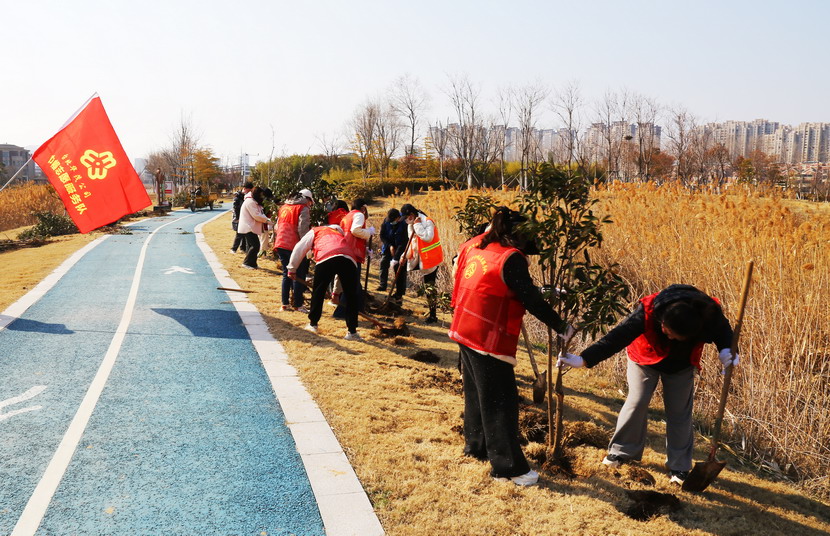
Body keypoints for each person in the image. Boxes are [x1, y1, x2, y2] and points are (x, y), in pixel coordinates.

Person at [557, 284, 739, 485]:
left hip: (682, 364)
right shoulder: (647, 312)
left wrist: (727, 352)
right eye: (667, 331)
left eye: (675, 336)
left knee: (679, 412)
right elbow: (616, 338)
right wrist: (584, 359)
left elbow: (724, 332)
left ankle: (679, 466)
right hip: (643, 357)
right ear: (662, 321)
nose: (669, 336)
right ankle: (621, 451)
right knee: (637, 401)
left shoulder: (709, 315)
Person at [449, 207, 573, 487]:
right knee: (500, 403)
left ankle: (476, 447)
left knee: (476, 394)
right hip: (488, 336)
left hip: (464, 326)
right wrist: (561, 326)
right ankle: (509, 468)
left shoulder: (476, 245)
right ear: (519, 235)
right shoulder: (511, 257)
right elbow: (529, 298)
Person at [287, 224, 362, 340]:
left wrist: (292, 268)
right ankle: (352, 332)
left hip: (326, 257)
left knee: (318, 292)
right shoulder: (340, 236)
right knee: (351, 295)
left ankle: (313, 324)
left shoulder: (316, 231)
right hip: (349, 259)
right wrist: (336, 293)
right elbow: (339, 269)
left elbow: (300, 248)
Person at [399, 203, 443, 324]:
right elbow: (412, 242)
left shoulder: (427, 221)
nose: (406, 221)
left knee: (430, 287)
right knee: (428, 286)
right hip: (423, 259)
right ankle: (432, 313)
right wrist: (404, 256)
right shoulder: (411, 224)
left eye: (406, 218)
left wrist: (417, 225)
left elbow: (428, 237)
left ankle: (433, 316)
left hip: (431, 259)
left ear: (411, 215)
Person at [333, 199, 375, 317]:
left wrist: (365, 250)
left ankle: (360, 309)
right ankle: (340, 312)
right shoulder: (359, 215)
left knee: (355, 284)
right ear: (363, 207)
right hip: (352, 254)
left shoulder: (347, 216)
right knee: (352, 284)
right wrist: (368, 232)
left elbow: (348, 235)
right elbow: (355, 230)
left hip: (346, 250)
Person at [273, 188, 314, 312]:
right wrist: (306, 246)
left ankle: (284, 304)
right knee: (298, 274)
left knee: (286, 273)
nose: (310, 204)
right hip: (294, 245)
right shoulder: (303, 208)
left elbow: (276, 226)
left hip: (281, 243)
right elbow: (303, 229)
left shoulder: (284, 207)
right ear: (307, 199)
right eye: (311, 202)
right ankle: (298, 304)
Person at [238, 186, 271, 269]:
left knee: (253, 246)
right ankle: (247, 263)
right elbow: (256, 215)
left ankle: (253, 263)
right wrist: (267, 220)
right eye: (261, 195)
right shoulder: (250, 202)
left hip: (250, 227)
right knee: (255, 245)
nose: (262, 197)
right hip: (248, 227)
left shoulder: (253, 202)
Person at [377, 207, 408, 293]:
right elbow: (382, 235)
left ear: (398, 218)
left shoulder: (404, 224)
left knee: (398, 268)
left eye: (392, 221)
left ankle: (399, 291)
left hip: (400, 248)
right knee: (383, 263)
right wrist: (390, 245)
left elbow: (404, 242)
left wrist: (396, 256)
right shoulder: (386, 221)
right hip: (388, 246)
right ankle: (382, 285)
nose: (391, 222)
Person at [230, 181, 253, 253]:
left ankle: (243, 248)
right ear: (245, 188)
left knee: (245, 233)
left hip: (245, 217)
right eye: (249, 190)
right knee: (239, 233)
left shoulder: (248, 196)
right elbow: (236, 208)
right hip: (240, 217)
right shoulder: (239, 196)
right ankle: (234, 249)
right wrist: (238, 218)